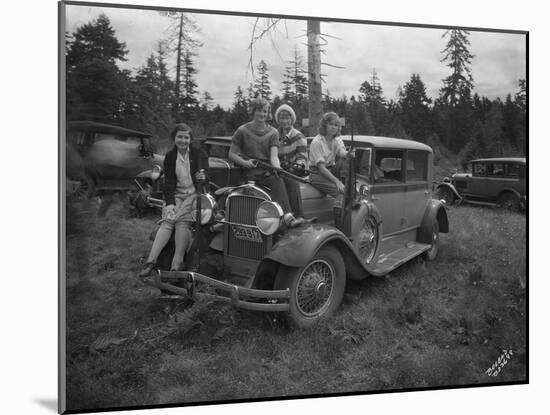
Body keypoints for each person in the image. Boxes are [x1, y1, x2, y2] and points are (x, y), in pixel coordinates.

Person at [139, 123, 208, 277]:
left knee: (181, 221)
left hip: (193, 195)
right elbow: (168, 183)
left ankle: (176, 264)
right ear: (174, 138)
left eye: (186, 137)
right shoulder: (170, 156)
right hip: (176, 195)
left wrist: (203, 177)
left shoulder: (199, 154)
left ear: (190, 139)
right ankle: (151, 261)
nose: (183, 140)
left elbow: (206, 178)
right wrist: (169, 203)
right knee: (168, 220)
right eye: (180, 137)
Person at [228, 97, 302, 227]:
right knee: (276, 180)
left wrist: (278, 169)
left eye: (266, 111)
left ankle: (299, 216)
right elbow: (232, 154)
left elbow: (274, 157)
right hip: (250, 171)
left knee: (291, 179)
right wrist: (245, 163)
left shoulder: (273, 132)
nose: (263, 114)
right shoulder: (242, 131)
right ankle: (287, 216)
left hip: (267, 169)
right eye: (260, 111)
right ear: (253, 111)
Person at [309, 112, 355, 211]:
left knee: (346, 160)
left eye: (336, 125)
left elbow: (342, 152)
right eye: (331, 124)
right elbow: (321, 168)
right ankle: (340, 221)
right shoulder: (317, 142)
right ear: (324, 125)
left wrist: (348, 153)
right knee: (341, 192)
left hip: (331, 170)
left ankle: (351, 191)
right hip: (317, 173)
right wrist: (337, 182)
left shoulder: (336, 139)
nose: (334, 127)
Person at [274, 104, 308, 222]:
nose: (284, 121)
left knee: (290, 178)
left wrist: (298, 165)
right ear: (278, 120)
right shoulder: (274, 135)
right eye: (282, 118)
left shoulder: (298, 136)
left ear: (292, 119)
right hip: (278, 168)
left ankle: (298, 216)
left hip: (294, 169)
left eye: (287, 118)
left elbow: (302, 157)